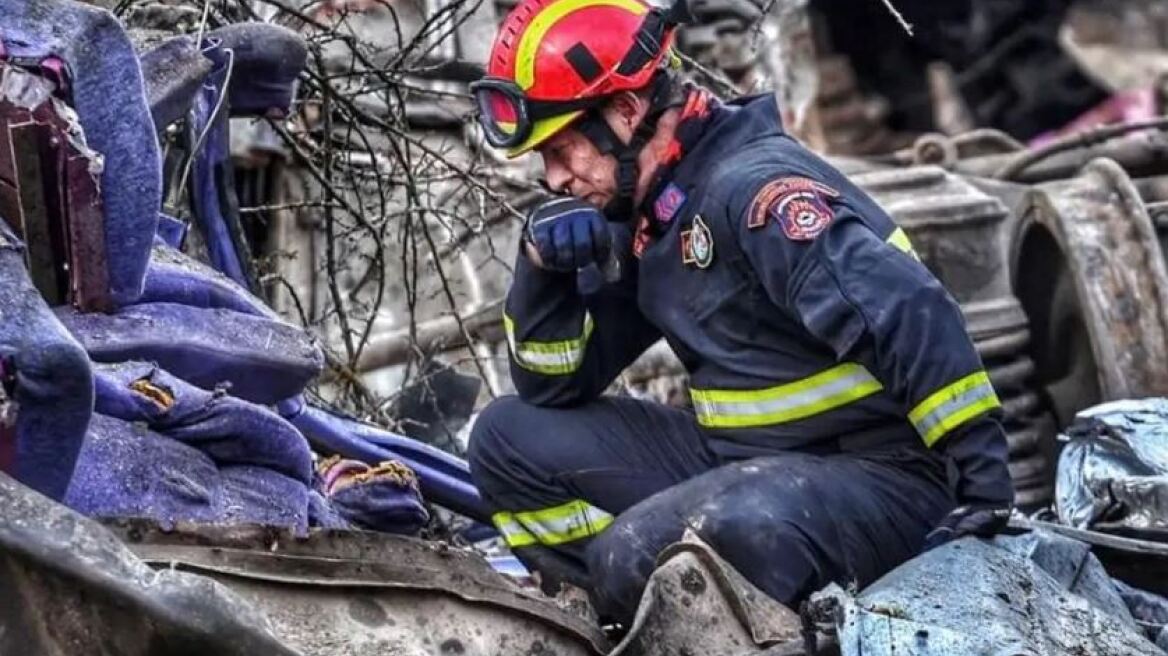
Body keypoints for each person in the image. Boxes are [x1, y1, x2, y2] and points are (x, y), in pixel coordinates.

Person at [466, 0, 1014, 627]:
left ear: (626, 111)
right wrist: (543, 272)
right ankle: (625, 616)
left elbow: (913, 311)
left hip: (886, 479)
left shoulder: (754, 190)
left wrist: (982, 487)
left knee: (640, 551)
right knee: (505, 438)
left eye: (563, 149)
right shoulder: (654, 208)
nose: (554, 178)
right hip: (746, 466)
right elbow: (553, 386)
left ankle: (710, 617)